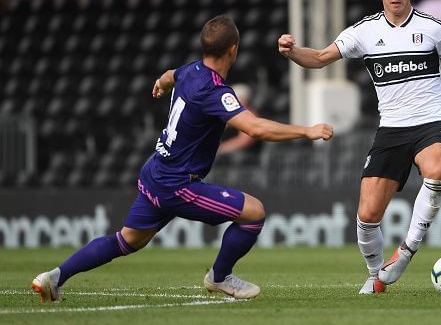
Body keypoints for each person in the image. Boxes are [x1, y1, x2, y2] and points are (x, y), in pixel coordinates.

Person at [32, 15, 333, 303]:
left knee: (126, 241)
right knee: (254, 213)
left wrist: (161, 85)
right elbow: (254, 128)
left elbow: (168, 76)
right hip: (178, 184)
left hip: (156, 171)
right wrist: (306, 131)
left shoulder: (190, 71)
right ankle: (219, 277)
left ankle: (54, 277)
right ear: (233, 50)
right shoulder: (214, 91)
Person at [278, 0, 441, 295]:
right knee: (367, 215)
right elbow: (321, 58)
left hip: (432, 120)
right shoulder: (364, 32)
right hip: (392, 129)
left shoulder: (432, 27)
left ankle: (407, 251)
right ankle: (375, 275)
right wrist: (293, 51)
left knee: (438, 164)